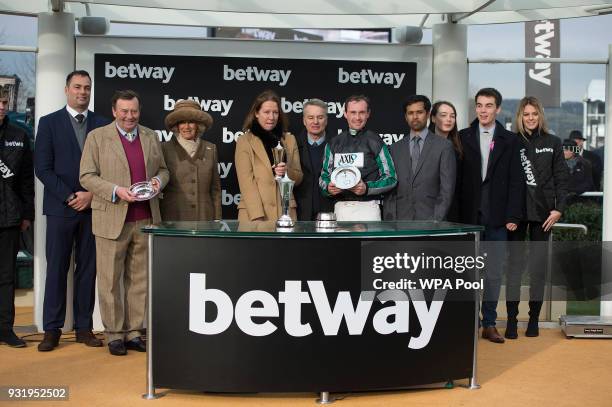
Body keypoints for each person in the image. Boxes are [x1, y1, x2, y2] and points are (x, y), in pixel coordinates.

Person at [80, 90, 169, 356]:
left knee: (139, 280)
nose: (130, 116)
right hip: (111, 218)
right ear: (114, 111)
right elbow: (86, 176)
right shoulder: (97, 137)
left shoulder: (151, 136)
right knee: (109, 281)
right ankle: (114, 334)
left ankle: (133, 332)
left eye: (134, 111)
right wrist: (116, 190)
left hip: (145, 218)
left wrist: (157, 182)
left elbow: (164, 170)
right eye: (124, 111)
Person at [34, 70, 109, 352]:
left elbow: (108, 169)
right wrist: (69, 196)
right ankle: (51, 329)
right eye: (77, 87)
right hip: (59, 209)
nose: (82, 92)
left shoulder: (103, 124)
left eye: (87, 88)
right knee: (56, 269)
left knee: (88, 270)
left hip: (93, 208)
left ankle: (83, 327)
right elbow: (42, 168)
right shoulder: (49, 123)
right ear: (67, 90)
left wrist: (91, 194)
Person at [459, 88, 524, 344]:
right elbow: (457, 181)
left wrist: (513, 215)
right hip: (469, 218)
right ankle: (469, 323)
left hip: (498, 218)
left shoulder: (511, 140)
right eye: (479, 105)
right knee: (468, 274)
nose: (483, 110)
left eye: (488, 105)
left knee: (494, 273)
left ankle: (488, 324)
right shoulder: (463, 137)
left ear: (498, 109)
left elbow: (516, 181)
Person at [505, 96, 569, 339]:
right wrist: (508, 214)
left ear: (540, 115)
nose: (530, 118)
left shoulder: (553, 142)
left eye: (534, 113)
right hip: (517, 216)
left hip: (543, 216)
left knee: (538, 270)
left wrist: (559, 209)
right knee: (513, 268)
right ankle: (511, 320)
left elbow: (562, 179)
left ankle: (533, 320)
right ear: (520, 117)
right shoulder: (513, 143)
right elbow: (506, 181)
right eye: (526, 114)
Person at [320, 95, 396, 221]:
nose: (357, 117)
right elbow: (324, 177)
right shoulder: (333, 143)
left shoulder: (376, 141)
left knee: (368, 242)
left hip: (369, 208)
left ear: (368, 114)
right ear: (345, 114)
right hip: (341, 208)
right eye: (353, 112)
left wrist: (367, 188)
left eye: (361, 112)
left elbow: (391, 178)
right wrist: (328, 188)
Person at [383, 95, 455, 221]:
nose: (415, 117)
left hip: (431, 222)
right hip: (400, 223)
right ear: (406, 117)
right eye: (410, 113)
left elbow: (447, 190)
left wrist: (436, 220)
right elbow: (390, 191)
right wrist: (390, 221)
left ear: (427, 114)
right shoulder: (394, 149)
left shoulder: (444, 146)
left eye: (419, 112)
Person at [235, 90, 302, 222]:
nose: (271, 117)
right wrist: (257, 216)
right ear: (256, 113)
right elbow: (246, 182)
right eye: (266, 112)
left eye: (275, 112)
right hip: (254, 215)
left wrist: (286, 171)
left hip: (286, 214)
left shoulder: (289, 140)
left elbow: (298, 177)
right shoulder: (245, 141)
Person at [0, 85, 34, 348]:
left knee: (7, 277)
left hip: (9, 218)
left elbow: (25, 181)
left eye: (3, 102)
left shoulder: (20, 135)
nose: (1, 107)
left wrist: (26, 214)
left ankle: (5, 329)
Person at [160, 100, 221, 221]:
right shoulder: (164, 148)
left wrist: (217, 219)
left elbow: (216, 190)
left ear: (198, 125)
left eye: (191, 122)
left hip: (204, 218)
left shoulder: (211, 149)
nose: (186, 127)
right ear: (176, 125)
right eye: (182, 122)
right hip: (173, 219)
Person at [294, 98, 334, 220]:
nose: (315, 122)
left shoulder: (337, 145)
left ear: (326, 120)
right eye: (310, 117)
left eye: (320, 117)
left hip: (329, 212)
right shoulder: (292, 144)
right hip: (300, 213)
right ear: (304, 121)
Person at [428, 100, 463, 222]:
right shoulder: (422, 144)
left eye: (452, 116)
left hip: (454, 210)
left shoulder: (461, 146)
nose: (449, 119)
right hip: (428, 209)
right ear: (433, 118)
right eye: (443, 115)